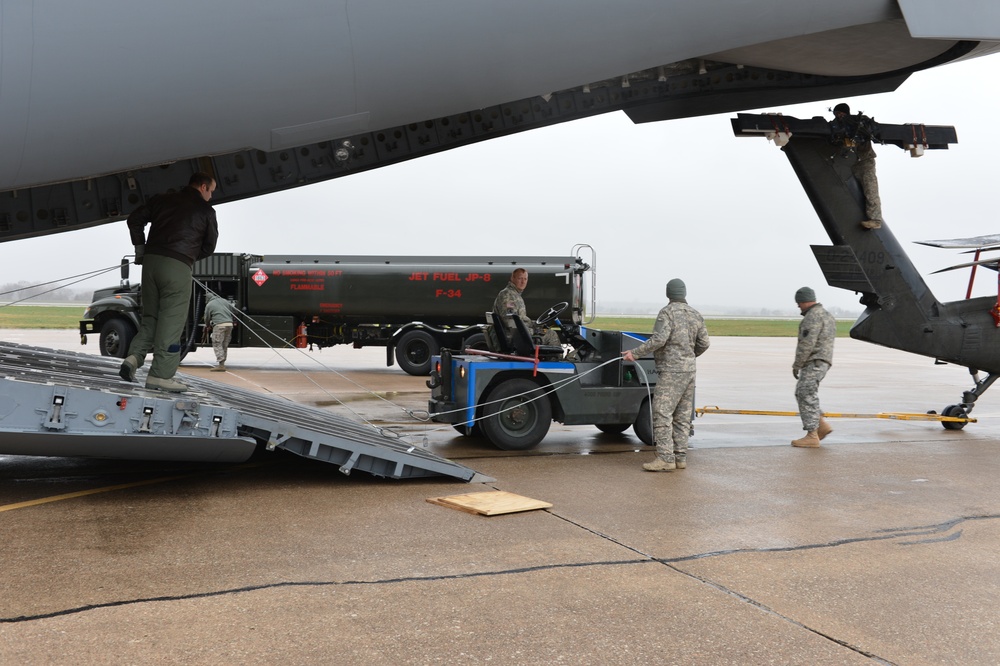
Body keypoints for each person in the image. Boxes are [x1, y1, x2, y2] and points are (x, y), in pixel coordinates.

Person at [118, 172, 219, 392]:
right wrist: (186, 257)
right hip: (177, 267)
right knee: (171, 323)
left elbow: (134, 220)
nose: (211, 196)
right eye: (211, 191)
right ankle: (161, 375)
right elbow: (209, 247)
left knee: (150, 318)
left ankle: (133, 358)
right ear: (203, 187)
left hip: (151, 264)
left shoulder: (161, 199)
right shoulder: (205, 211)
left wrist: (141, 249)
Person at [621, 278, 710, 471]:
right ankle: (680, 457)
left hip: (671, 371)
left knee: (661, 413)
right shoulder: (695, 314)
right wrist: (688, 356)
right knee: (682, 416)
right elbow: (704, 343)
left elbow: (659, 339)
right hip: (689, 371)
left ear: (668, 293)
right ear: (684, 293)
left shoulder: (667, 313)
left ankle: (665, 458)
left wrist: (634, 353)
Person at [791, 286, 836, 448]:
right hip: (823, 361)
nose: (798, 307)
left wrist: (797, 365)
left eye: (799, 303)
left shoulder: (812, 317)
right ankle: (821, 426)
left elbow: (807, 344)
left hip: (814, 361)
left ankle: (812, 434)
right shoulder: (827, 315)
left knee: (805, 393)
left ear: (804, 301)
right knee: (806, 392)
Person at [831, 102, 882, 230]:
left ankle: (875, 220)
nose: (838, 116)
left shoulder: (859, 123)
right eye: (836, 114)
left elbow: (873, 130)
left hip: (865, 161)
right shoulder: (836, 126)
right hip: (851, 162)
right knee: (851, 191)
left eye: (840, 113)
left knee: (870, 189)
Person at [492, 268, 561, 347]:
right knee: (551, 335)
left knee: (545, 330)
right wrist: (532, 330)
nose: (523, 282)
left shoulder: (514, 294)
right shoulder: (508, 295)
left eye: (525, 279)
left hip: (518, 335)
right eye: (520, 278)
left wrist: (535, 325)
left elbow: (520, 319)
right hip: (513, 338)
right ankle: (555, 359)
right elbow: (510, 322)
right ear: (512, 278)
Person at [203, 293, 235, 372]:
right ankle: (223, 363)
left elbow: (206, 317)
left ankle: (221, 365)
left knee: (217, 343)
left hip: (219, 326)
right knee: (224, 344)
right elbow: (233, 310)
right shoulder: (224, 301)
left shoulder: (209, 304)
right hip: (229, 325)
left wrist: (207, 325)